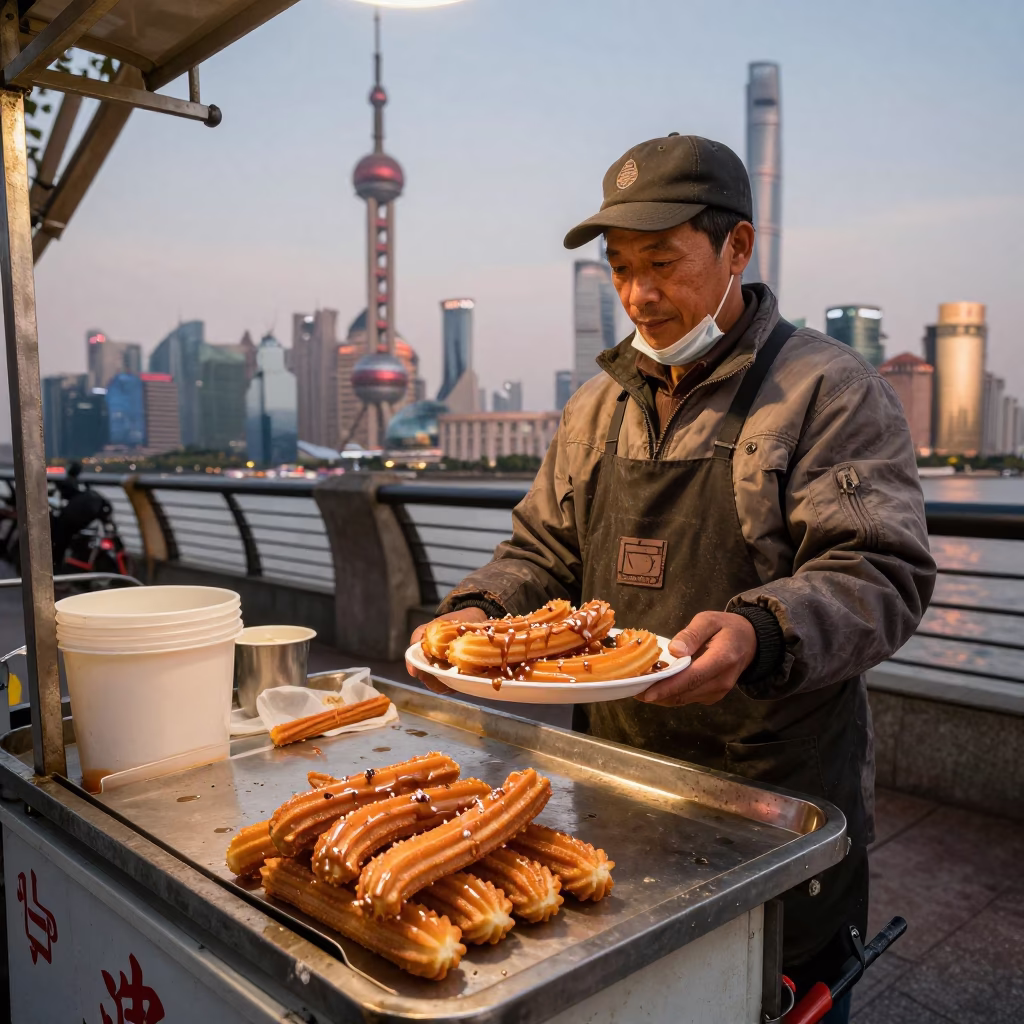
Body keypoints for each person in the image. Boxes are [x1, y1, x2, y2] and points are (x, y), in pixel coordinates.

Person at [409, 135, 935, 1022]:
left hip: (775, 788)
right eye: (619, 268)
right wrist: (473, 611)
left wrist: (760, 630)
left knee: (768, 988)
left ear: (738, 248)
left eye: (662, 262)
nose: (638, 294)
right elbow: (542, 550)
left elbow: (879, 568)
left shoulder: (827, 389)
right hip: (616, 774)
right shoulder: (598, 403)